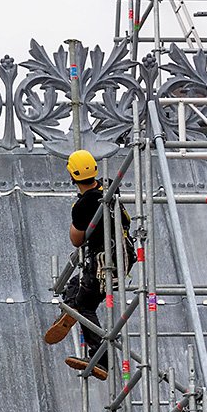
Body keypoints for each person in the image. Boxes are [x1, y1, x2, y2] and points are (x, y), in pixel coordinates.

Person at [43, 149, 135, 382]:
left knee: (84, 306)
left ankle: (101, 358)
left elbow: (76, 239)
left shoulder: (84, 204)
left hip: (104, 263)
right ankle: (69, 308)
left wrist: (78, 212)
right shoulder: (109, 189)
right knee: (75, 285)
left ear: (72, 176)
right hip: (123, 255)